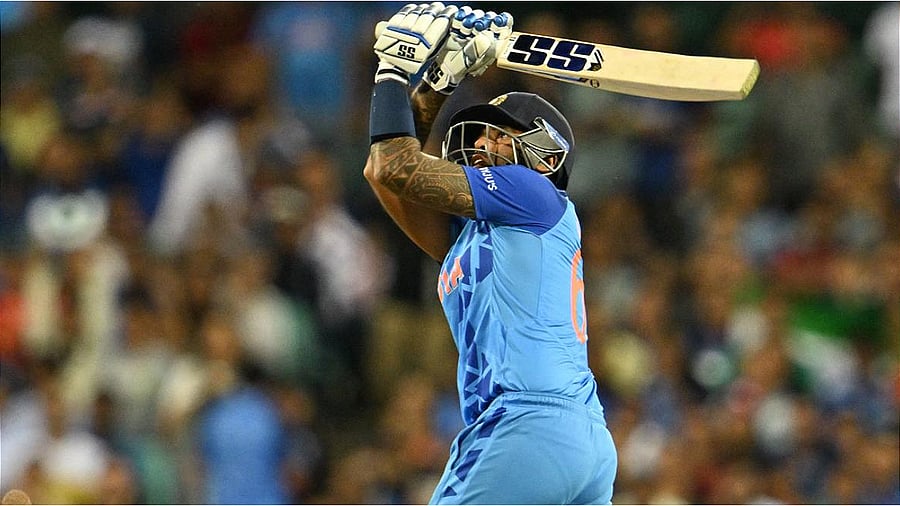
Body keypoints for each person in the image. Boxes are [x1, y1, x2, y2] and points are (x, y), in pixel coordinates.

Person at [363, 3, 618, 504]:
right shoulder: (474, 237)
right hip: (582, 438)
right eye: (481, 130)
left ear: (545, 153)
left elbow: (396, 164)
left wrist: (394, 71)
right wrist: (439, 80)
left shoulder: (532, 190)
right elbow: (381, 173)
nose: (481, 141)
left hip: (524, 425)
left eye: (500, 132)